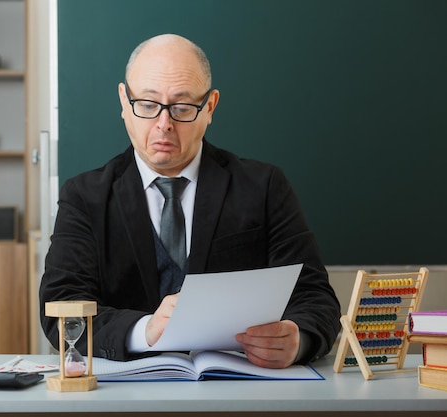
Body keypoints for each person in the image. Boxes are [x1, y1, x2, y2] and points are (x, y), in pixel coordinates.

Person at [40, 33, 341, 369]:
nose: (164, 124)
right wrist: (145, 330)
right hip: (122, 396)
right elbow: (61, 309)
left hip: (239, 392)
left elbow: (316, 298)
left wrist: (299, 339)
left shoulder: (263, 186)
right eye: (148, 105)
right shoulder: (84, 196)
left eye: (182, 108)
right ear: (124, 102)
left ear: (209, 107)